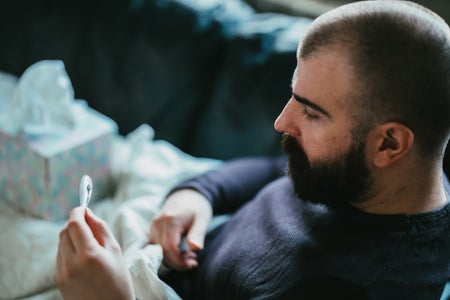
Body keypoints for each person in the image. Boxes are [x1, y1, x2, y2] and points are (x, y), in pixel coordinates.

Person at [54, 1, 450, 299]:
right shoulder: (356, 175)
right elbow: (272, 170)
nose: (282, 122)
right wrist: (199, 194)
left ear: (388, 143)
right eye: (295, 96)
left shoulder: (360, 286)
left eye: (311, 112)